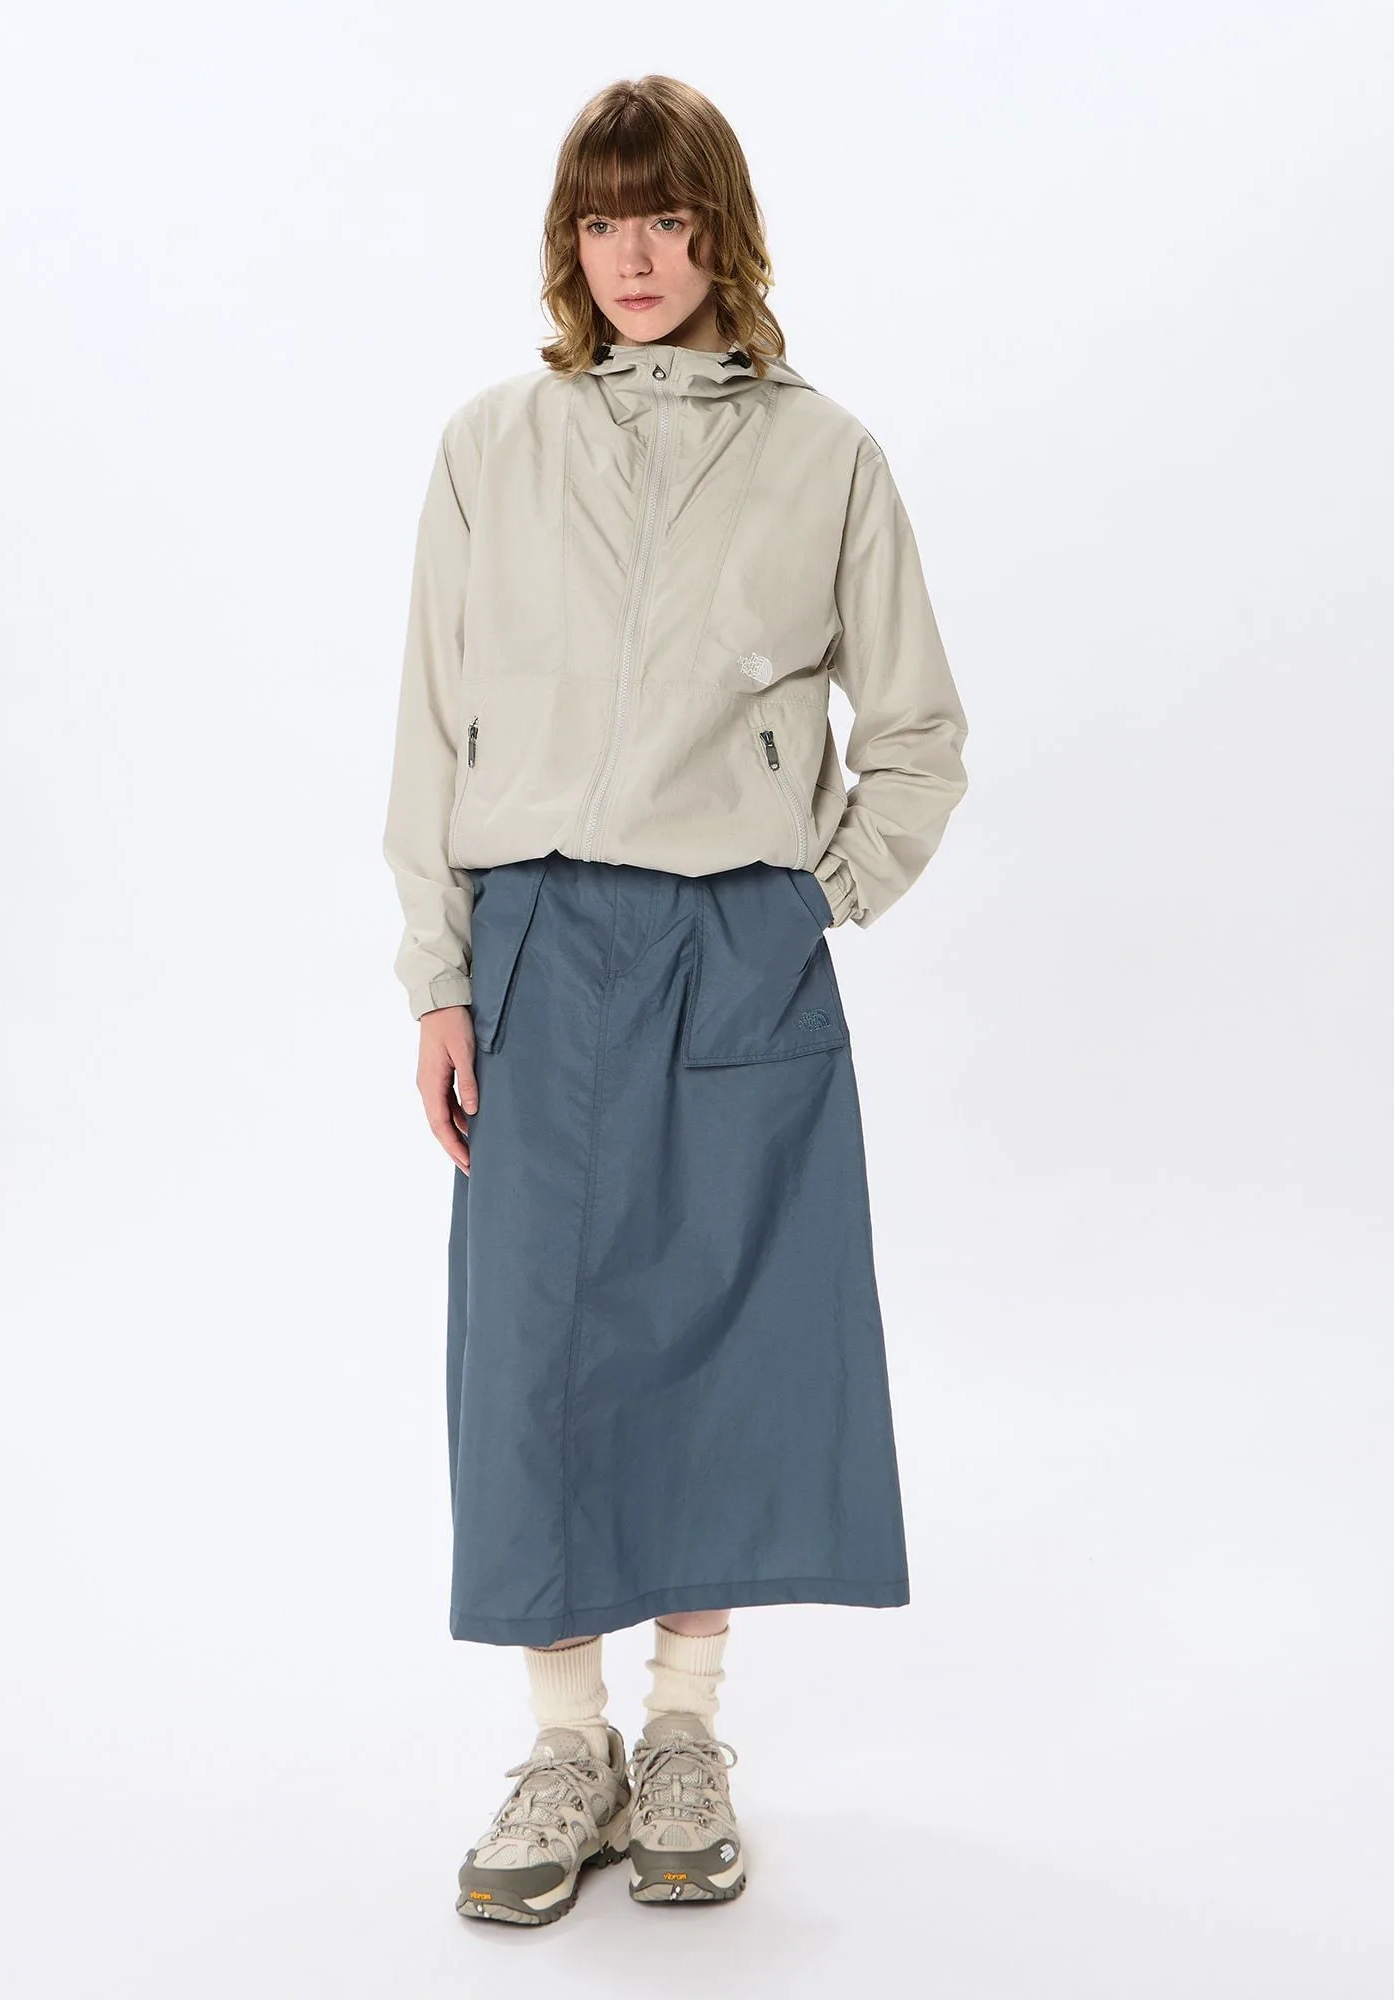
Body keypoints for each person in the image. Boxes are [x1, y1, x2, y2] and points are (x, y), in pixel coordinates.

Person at [381, 74, 969, 1925]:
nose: (632, 253)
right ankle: (566, 1745)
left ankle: (688, 1728)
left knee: (726, 1328)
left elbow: (920, 733)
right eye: (600, 218)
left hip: (735, 942)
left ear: (722, 228)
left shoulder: (826, 456)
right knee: (534, 1351)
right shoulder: (493, 446)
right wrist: (440, 974)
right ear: (569, 242)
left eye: (665, 215)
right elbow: (430, 730)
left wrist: (817, 902)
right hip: (539, 940)